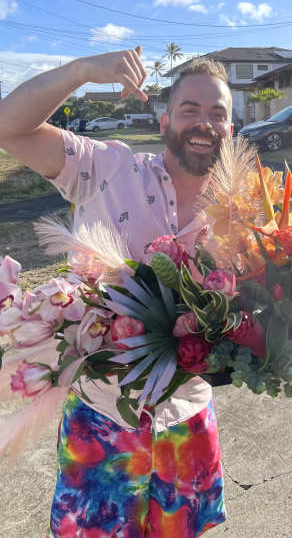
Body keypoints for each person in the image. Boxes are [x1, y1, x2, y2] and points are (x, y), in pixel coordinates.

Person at [0, 46, 230, 537]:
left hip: (189, 418)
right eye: (190, 109)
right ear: (164, 120)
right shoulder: (109, 170)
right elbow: (8, 127)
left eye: (218, 113)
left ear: (231, 128)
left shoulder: (243, 211)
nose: (204, 122)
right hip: (102, 417)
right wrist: (83, 70)